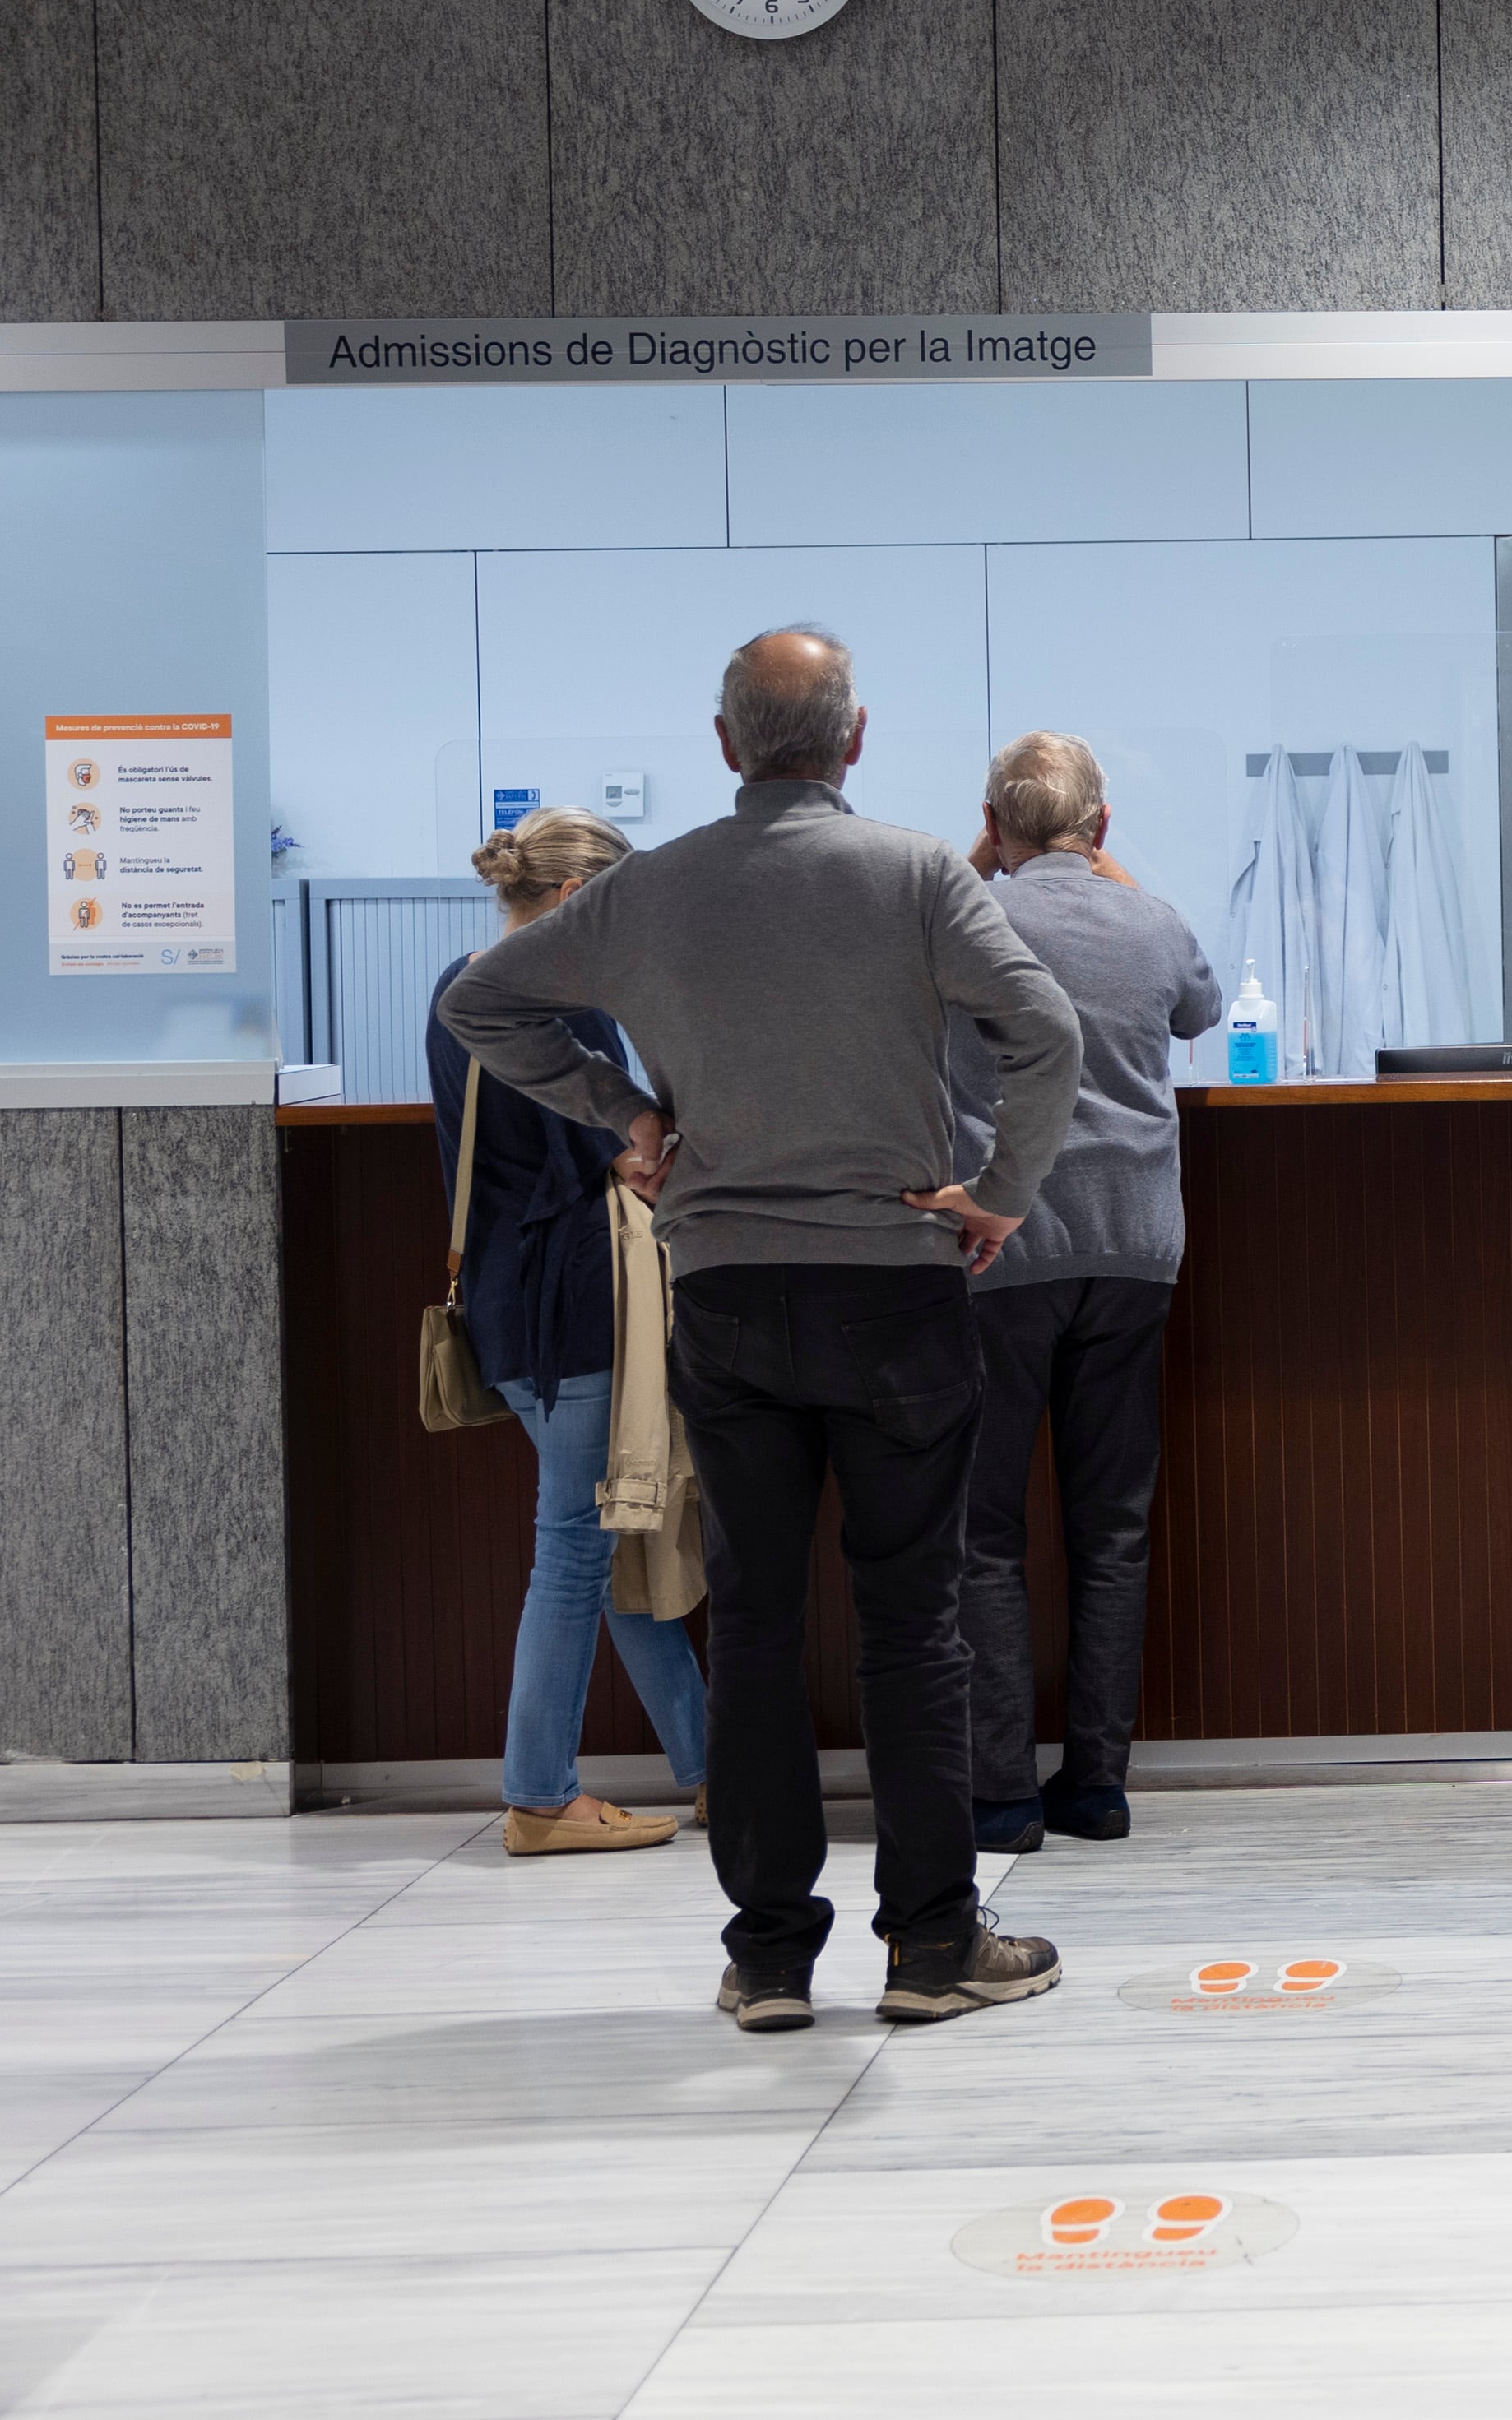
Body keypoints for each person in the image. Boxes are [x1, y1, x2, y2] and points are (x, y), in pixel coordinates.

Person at [439, 627, 1084, 2038]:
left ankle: (773, 1957)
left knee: (753, 1622)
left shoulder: (651, 890)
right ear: (854, 740)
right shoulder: (917, 873)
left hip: (725, 1293)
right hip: (896, 1282)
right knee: (913, 1625)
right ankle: (928, 1944)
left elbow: (477, 1001)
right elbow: (1048, 1033)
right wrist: (1001, 1194)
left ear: (725, 744)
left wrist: (629, 1114)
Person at [945, 731, 1222, 1852]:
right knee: (1112, 1528)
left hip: (1001, 1254)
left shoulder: (968, 918)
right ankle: (1098, 1786)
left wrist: (982, 869)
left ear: (994, 823)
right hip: (1133, 1248)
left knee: (984, 1532)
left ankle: (1002, 1797)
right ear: (1101, 827)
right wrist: (1115, 878)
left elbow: (897, 984)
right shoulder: (1150, 920)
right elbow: (1198, 1012)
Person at [426, 805, 709, 1856]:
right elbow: (608, 1155)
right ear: (575, 901)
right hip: (576, 1307)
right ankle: (539, 1795)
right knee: (577, 1553)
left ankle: (714, 1766)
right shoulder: (565, 1013)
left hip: (512, 1304)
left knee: (604, 1534)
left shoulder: (458, 987)